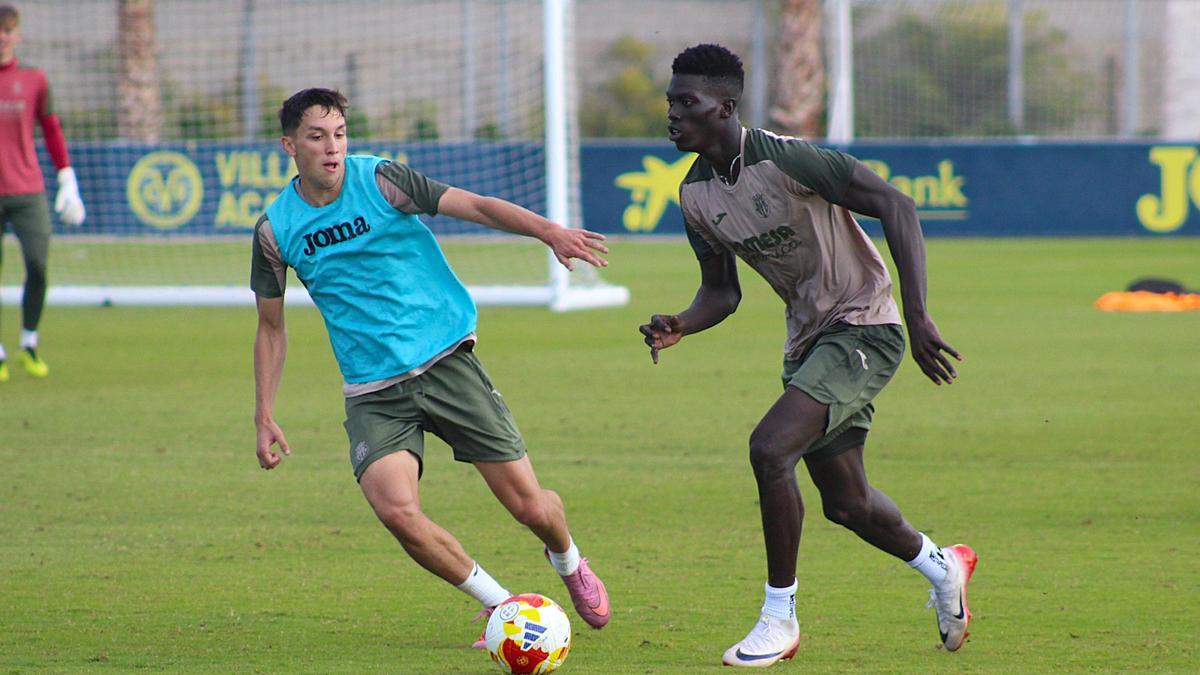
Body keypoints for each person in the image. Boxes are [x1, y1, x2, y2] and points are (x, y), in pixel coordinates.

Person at [640, 44, 976, 667]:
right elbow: (722, 292)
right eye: (671, 103)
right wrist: (681, 323)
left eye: (687, 103)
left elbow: (896, 205)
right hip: (809, 342)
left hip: (865, 326)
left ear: (726, 107)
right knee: (847, 505)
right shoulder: (693, 196)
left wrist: (920, 315)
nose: (674, 115)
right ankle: (943, 566)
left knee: (769, 449)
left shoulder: (786, 158)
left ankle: (779, 617)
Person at [251, 88, 611, 645]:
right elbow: (271, 327)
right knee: (397, 511)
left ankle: (568, 561)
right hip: (373, 392)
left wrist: (549, 232)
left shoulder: (383, 181)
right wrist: (265, 413)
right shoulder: (275, 230)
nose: (331, 148)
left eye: (340, 134)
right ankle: (503, 607)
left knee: (530, 507)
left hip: (446, 363)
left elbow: (476, 206)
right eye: (317, 137)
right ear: (289, 145)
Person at [0, 3, 85, 382]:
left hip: (27, 190)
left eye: (8, 30)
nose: (2, 36)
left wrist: (67, 177)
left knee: (37, 264)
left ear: (17, 35)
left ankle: (29, 342)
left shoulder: (34, 79)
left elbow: (50, 129)